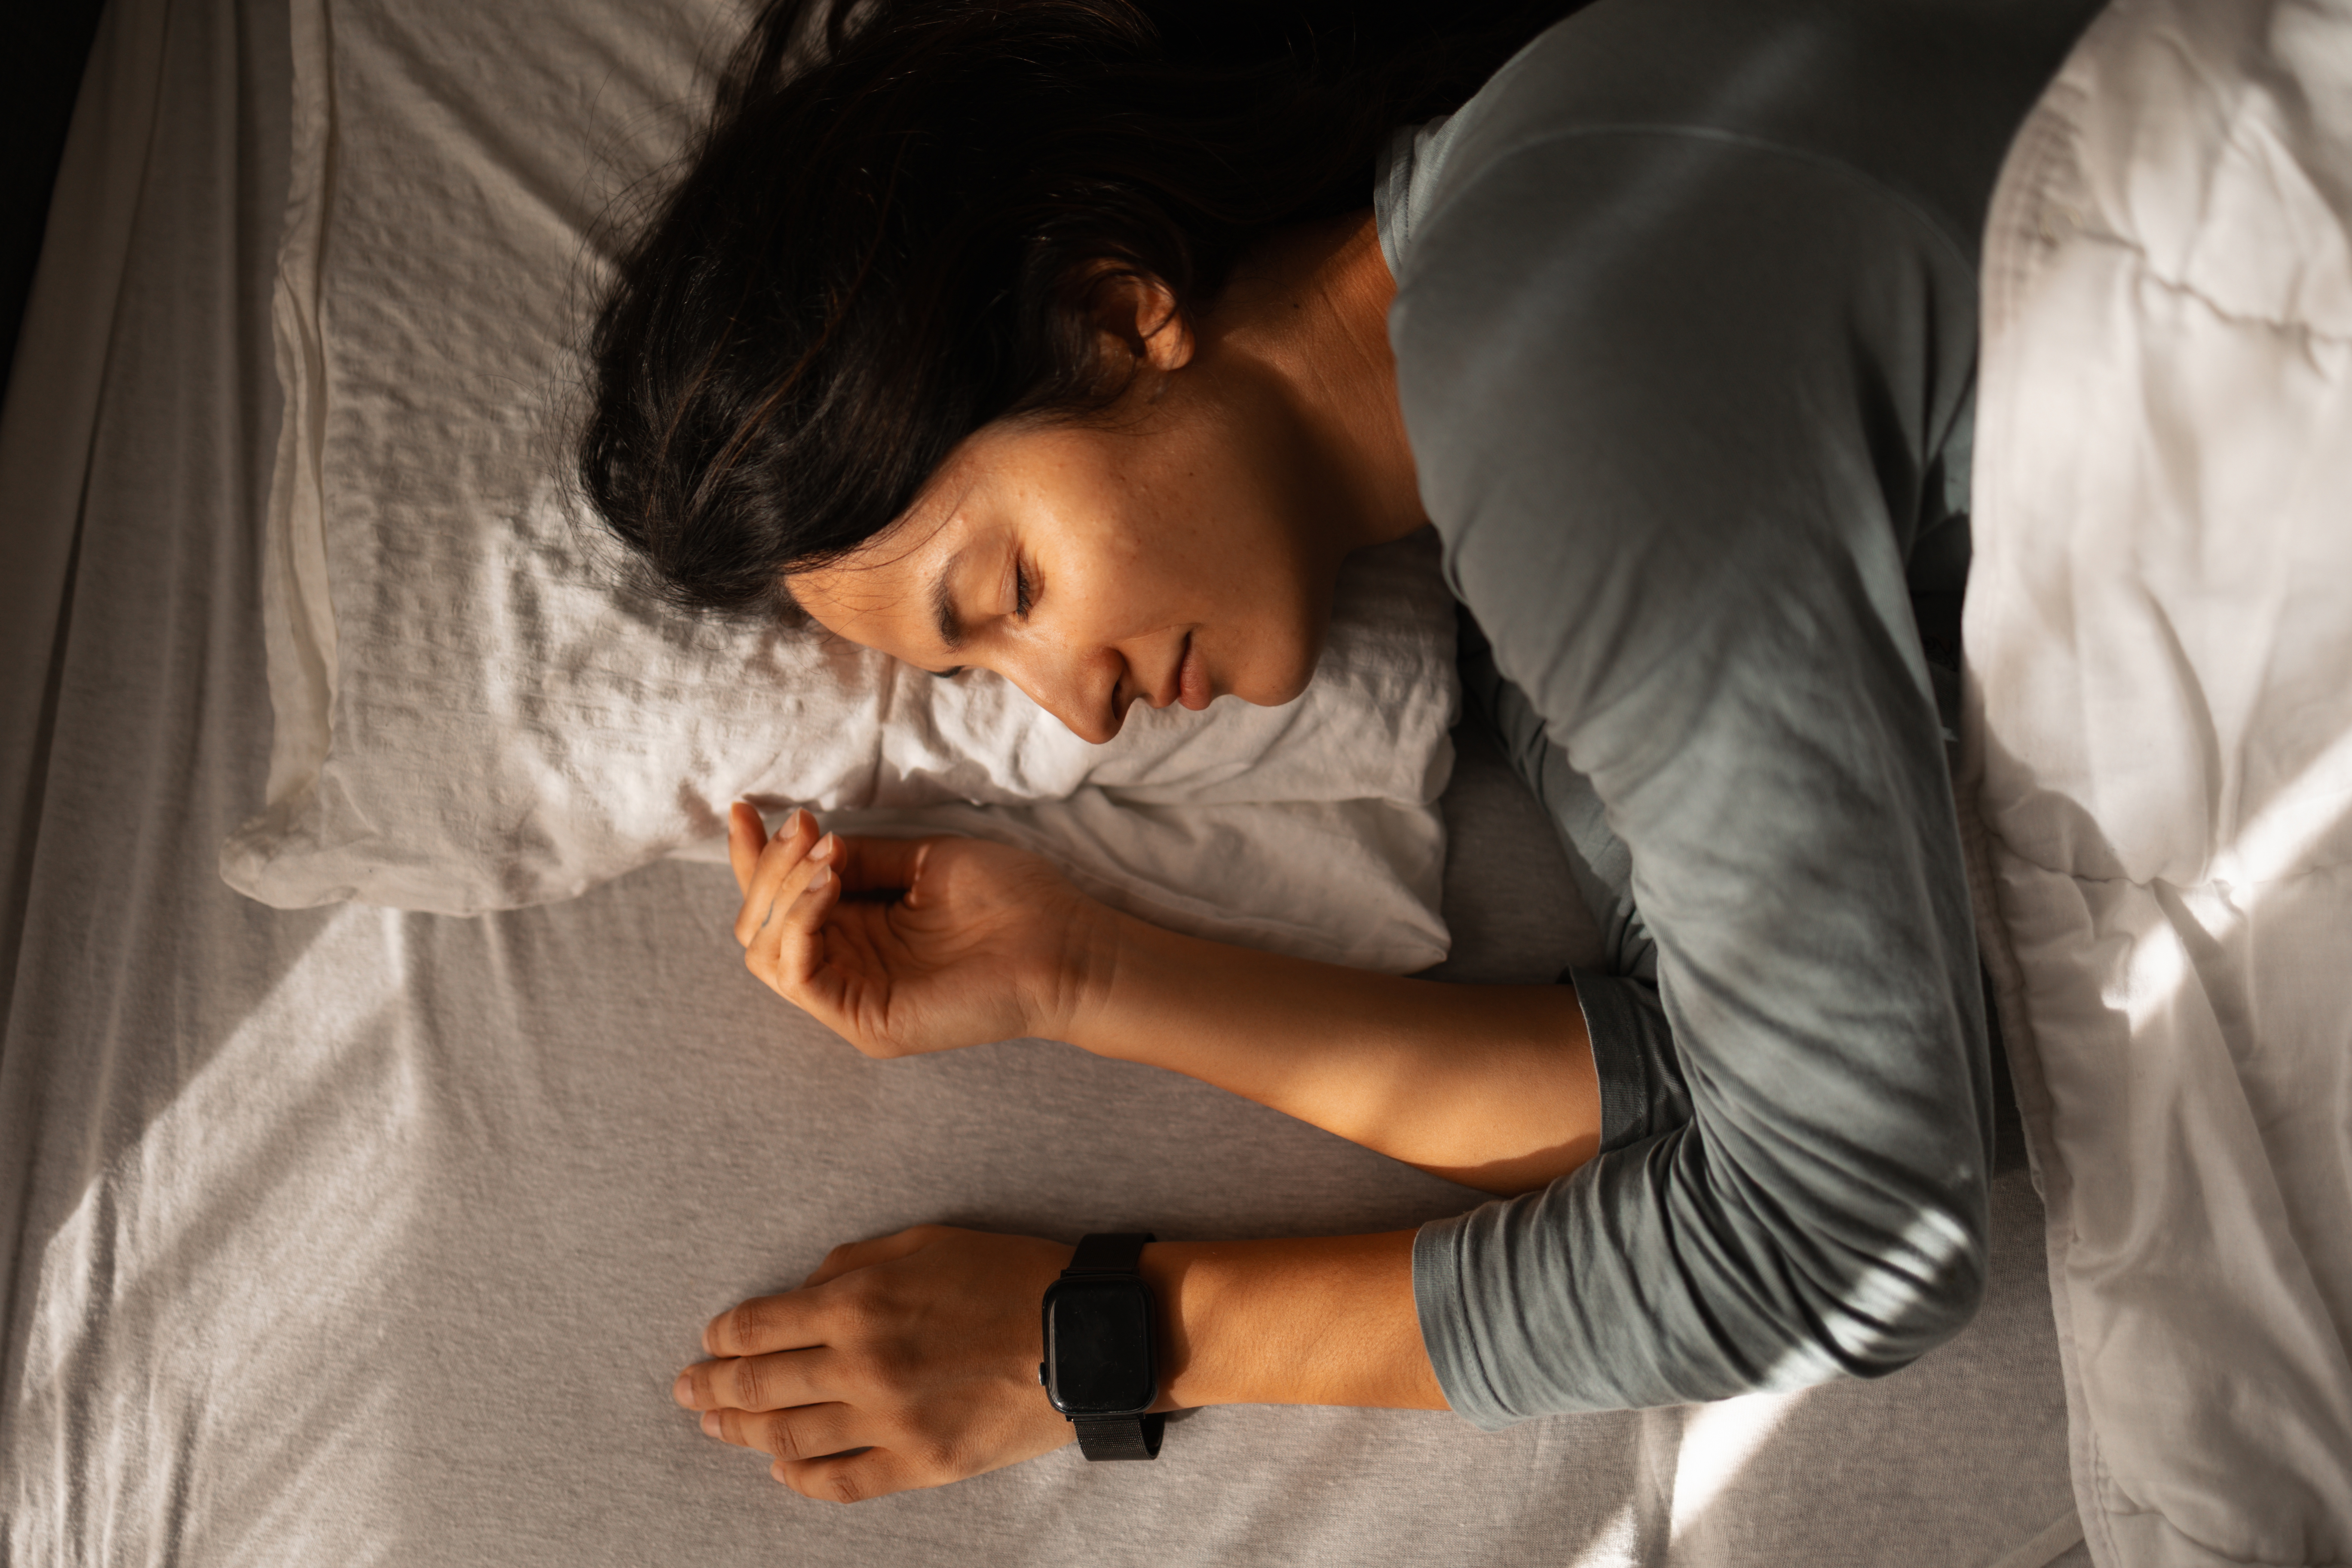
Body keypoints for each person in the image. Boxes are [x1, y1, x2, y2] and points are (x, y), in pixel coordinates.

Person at [578, 0, 2103, 1504]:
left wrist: (1112, 1338)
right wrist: (1081, 976)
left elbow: (1855, 1230)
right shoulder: (1501, 551)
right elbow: (1901, 1065)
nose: (1075, 713)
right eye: (979, 671)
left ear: (1114, 316)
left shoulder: (1554, 341)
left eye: (1012, 592)